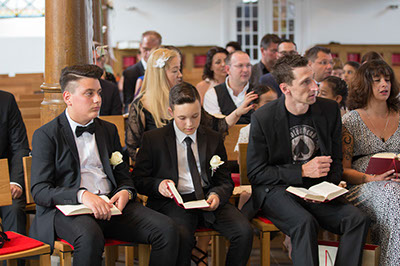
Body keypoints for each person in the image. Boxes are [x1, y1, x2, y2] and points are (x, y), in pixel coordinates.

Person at [29, 64, 179, 266]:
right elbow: (40, 190)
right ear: (67, 97)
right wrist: (82, 195)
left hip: (111, 206)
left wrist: (126, 191)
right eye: (89, 93)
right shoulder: (47, 135)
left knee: (167, 229)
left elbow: (123, 174)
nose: (98, 99)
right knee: (90, 236)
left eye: (98, 93)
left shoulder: (108, 130)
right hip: (69, 209)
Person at [246, 54, 370, 265]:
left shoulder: (329, 110)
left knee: (357, 220)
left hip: (317, 190)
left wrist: (326, 187)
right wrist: (302, 171)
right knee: (304, 222)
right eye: (306, 82)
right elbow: (257, 173)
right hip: (278, 190)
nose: (315, 87)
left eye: (313, 79)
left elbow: (337, 161)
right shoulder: (263, 117)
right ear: (286, 89)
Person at [133, 82, 253, 266]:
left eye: (195, 116)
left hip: (207, 197)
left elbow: (224, 180)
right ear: (171, 112)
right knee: (181, 235)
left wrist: (217, 195)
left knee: (244, 231)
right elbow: (139, 180)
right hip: (174, 202)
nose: (189, 124)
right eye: (182, 118)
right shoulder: (153, 139)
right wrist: (159, 185)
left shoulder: (212, 138)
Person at [126, 48, 256, 161]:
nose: (180, 75)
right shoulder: (140, 106)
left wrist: (238, 112)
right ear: (160, 74)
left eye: (179, 70)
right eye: (175, 71)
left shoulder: (184, 98)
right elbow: (133, 149)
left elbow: (215, 125)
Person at [342, 59, 400, 266]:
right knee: (391, 194)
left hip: (396, 182)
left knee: (393, 192)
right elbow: (344, 170)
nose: (384, 84)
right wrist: (371, 177)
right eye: (377, 80)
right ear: (366, 85)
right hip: (362, 186)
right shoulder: (351, 121)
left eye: (387, 80)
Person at [0, 90, 30, 236]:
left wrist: (15, 182)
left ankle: (15, 259)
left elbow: (20, 146)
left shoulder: (6, 100)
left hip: (4, 183)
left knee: (14, 208)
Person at [203, 51, 255, 124]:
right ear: (227, 69)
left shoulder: (258, 91)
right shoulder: (212, 94)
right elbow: (215, 126)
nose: (245, 70)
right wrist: (237, 113)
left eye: (248, 65)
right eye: (240, 66)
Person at [122, 31, 162, 112]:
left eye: (152, 50)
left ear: (159, 48)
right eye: (145, 49)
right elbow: (128, 102)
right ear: (140, 46)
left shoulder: (165, 70)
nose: (148, 53)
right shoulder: (130, 73)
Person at [234, 85, 278, 152]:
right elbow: (241, 157)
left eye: (276, 102)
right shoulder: (247, 131)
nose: (274, 106)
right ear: (255, 107)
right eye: (268, 103)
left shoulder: (283, 126)